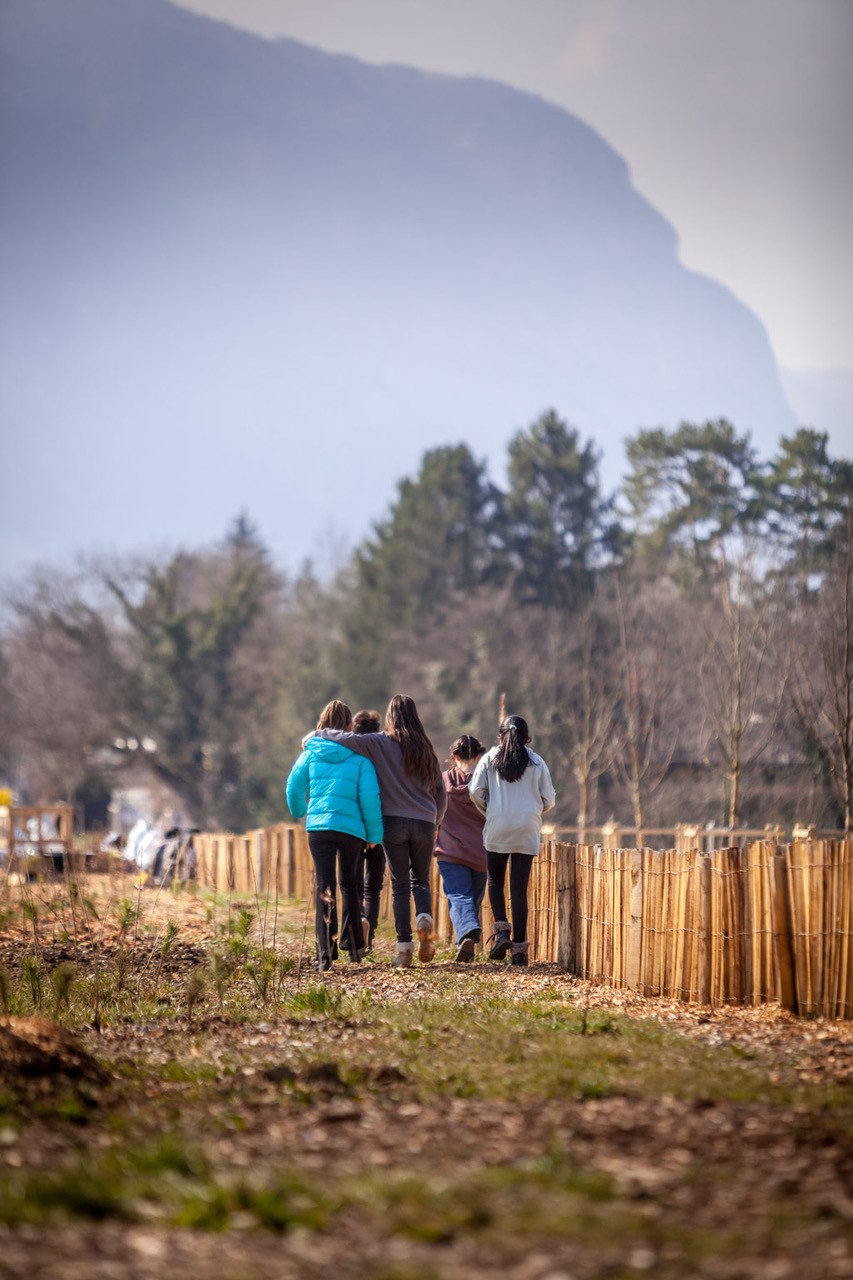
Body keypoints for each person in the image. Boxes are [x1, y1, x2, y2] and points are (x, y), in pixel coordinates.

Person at [315, 694, 446, 968]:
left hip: (393, 823)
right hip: (424, 820)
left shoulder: (380, 742)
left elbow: (344, 739)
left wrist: (317, 733)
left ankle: (403, 948)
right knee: (420, 880)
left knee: (399, 886)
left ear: (390, 717)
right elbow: (440, 792)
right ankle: (424, 916)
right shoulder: (425, 747)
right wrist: (436, 823)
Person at [286, 700, 383, 971]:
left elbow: (293, 787)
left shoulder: (310, 753)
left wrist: (301, 811)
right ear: (349, 725)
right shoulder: (360, 758)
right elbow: (370, 800)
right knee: (350, 884)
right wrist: (374, 835)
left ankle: (324, 954)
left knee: (324, 888)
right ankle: (354, 947)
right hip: (351, 831)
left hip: (319, 828)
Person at [469, 714, 556, 967]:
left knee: (495, 881)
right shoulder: (536, 761)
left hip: (498, 824)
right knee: (519, 889)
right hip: (527, 828)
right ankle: (519, 952)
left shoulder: (489, 758)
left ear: (500, 736)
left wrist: (490, 809)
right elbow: (549, 799)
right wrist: (533, 812)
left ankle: (502, 933)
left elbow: (474, 791)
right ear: (526, 738)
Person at [435, 734, 488, 962]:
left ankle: (467, 932)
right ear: (478, 756)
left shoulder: (442, 781)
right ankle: (467, 933)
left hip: (450, 852)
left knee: (458, 896)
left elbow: (433, 811)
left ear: (454, 757)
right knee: (473, 898)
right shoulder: (486, 784)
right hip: (482, 853)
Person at [351, 708, 385, 950]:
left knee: (352, 882)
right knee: (373, 884)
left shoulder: (349, 750)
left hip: (352, 824)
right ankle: (369, 938)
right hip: (380, 823)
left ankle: (357, 925)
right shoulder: (384, 752)